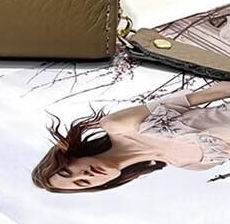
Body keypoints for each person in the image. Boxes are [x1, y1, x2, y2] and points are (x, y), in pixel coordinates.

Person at [32, 82, 230, 193]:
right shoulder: (190, 165)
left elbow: (210, 93)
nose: (85, 175)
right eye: (83, 183)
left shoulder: (117, 126)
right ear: (102, 185)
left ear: (71, 157)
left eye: (68, 172)